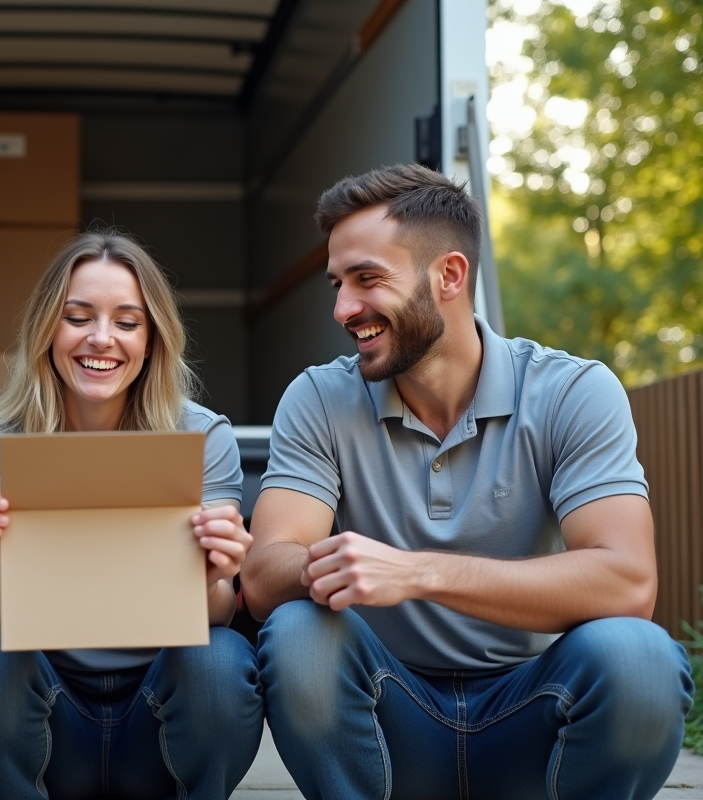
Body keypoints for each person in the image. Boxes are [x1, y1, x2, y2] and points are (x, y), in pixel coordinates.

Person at [242, 164, 693, 800]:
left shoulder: (572, 391)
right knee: (297, 634)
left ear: (449, 276)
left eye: (368, 279)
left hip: (533, 710)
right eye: (338, 284)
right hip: (391, 716)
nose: (343, 309)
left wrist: (418, 572)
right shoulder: (320, 397)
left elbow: (628, 582)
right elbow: (264, 576)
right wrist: (337, 565)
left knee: (638, 656)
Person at [0, 228, 264, 799]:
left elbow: (215, 613)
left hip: (156, 712)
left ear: (152, 338)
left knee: (222, 659)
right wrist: (2, 563)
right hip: (51, 709)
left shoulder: (202, 435)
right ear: (47, 327)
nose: (101, 338)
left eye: (127, 322)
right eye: (78, 317)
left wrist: (215, 575)